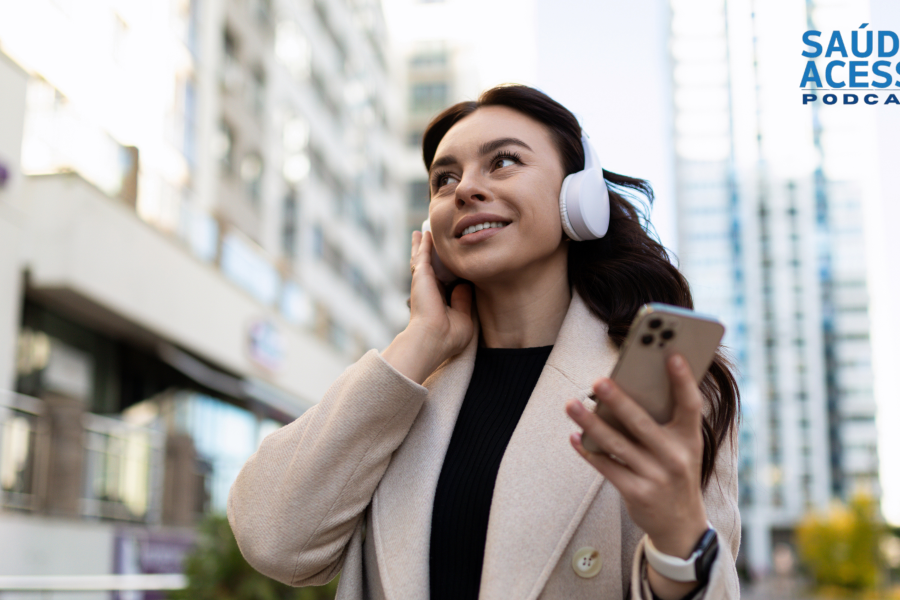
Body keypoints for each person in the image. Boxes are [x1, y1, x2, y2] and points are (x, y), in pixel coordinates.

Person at [227, 84, 741, 600]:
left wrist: (680, 543)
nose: (465, 189)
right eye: (444, 179)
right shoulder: (402, 389)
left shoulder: (662, 384)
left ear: (578, 198)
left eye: (503, 162)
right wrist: (421, 339)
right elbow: (274, 542)